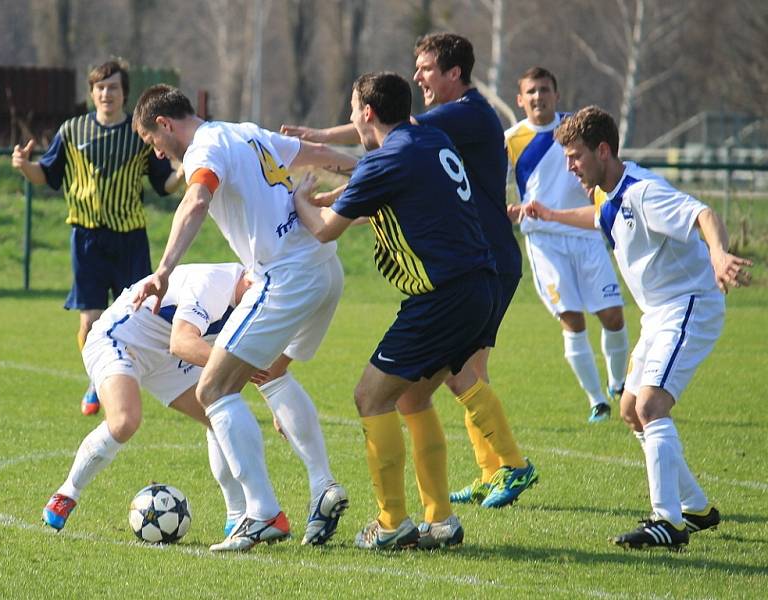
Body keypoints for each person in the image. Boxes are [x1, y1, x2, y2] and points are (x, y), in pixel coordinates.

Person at [282, 32, 537, 512]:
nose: (420, 75)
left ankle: (395, 521)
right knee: (416, 396)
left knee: (374, 395)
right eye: (414, 71)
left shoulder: (459, 116)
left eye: (426, 67)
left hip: (458, 280)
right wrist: (346, 193)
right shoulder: (432, 136)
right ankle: (446, 513)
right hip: (474, 271)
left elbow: (332, 223)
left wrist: (305, 191)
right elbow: (393, 187)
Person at [130, 84, 358, 552]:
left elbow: (195, 202)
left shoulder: (205, 148)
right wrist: (372, 166)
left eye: (153, 142)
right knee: (270, 375)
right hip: (325, 269)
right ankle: (322, 487)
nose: (157, 151)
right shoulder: (246, 132)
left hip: (285, 276)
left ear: (164, 124)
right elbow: (314, 152)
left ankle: (261, 513)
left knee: (211, 389)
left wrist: (163, 272)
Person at [525, 106, 752, 550]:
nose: (570, 166)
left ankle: (667, 522)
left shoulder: (643, 191)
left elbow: (703, 213)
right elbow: (598, 218)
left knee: (650, 406)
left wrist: (719, 255)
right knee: (631, 410)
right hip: (657, 315)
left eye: (575, 157)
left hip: (688, 305)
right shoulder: (605, 194)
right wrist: (548, 215)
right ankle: (696, 507)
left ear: (603, 151)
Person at [11, 60, 184, 417]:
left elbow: (162, 184)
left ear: (125, 93)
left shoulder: (139, 135)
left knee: (137, 316)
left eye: (114, 88)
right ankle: (98, 377)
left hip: (130, 238)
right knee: (90, 320)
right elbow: (46, 174)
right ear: (91, 93)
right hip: (86, 239)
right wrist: (24, 166)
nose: (107, 94)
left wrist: (183, 171)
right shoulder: (72, 130)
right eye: (101, 88)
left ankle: (145, 379)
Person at [42, 263, 250, 533]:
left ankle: (238, 517)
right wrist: (232, 365)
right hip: (122, 338)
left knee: (219, 414)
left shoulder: (255, 305)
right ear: (250, 277)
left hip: (167, 357)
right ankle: (67, 492)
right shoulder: (214, 283)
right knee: (125, 421)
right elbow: (183, 342)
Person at [506, 67, 629, 423]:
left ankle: (618, 385)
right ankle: (597, 402)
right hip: (545, 242)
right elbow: (490, 188)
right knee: (572, 319)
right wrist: (509, 211)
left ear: (556, 95)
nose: (538, 97)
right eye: (531, 91)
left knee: (612, 315)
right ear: (520, 99)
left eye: (544, 89)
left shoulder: (576, 129)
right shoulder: (511, 139)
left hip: (587, 234)